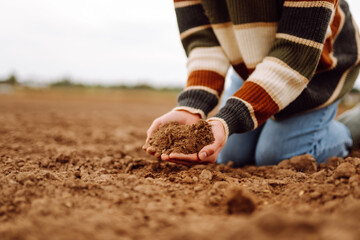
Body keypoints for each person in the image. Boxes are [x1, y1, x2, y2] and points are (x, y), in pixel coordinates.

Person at [143, 0, 360, 167]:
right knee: (233, 155)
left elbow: (296, 52)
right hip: (249, 64)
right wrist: (192, 106)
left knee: (279, 155)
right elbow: (204, 43)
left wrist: (227, 118)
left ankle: (351, 127)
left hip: (315, 63)